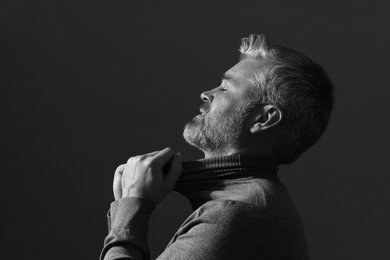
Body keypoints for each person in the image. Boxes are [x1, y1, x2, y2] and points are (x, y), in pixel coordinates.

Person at [100, 34, 334, 260]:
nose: (205, 94)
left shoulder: (234, 213)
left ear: (263, 119)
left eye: (224, 88)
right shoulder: (252, 203)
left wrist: (129, 211)